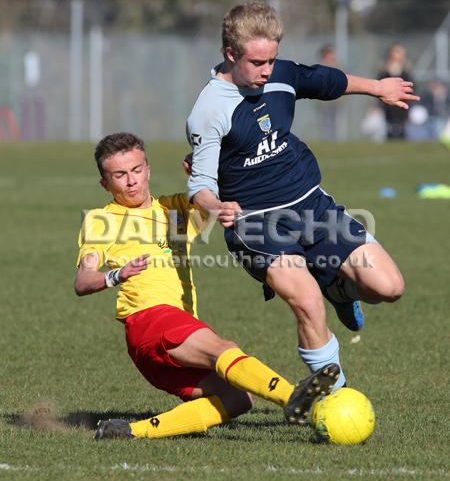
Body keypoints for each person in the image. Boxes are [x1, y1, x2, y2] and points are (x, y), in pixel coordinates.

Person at [186, 1, 419, 389]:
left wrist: (377, 87)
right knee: (307, 303)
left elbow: (325, 81)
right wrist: (215, 205)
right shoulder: (209, 110)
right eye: (257, 62)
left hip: (310, 203)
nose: (267, 71)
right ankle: (335, 395)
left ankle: (339, 287)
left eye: (272, 60)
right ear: (230, 54)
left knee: (389, 288)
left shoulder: (281, 74)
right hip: (256, 222)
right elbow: (200, 185)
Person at [74, 132, 339, 440]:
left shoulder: (172, 211)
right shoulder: (101, 219)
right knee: (224, 349)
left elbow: (216, 206)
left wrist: (204, 177)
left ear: (148, 169)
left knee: (237, 400)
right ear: (105, 184)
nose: (131, 181)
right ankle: (295, 397)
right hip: (151, 319)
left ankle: (131, 431)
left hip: (161, 340)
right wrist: (115, 275)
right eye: (119, 175)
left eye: (136, 170)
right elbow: (83, 281)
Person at [377, 44, 413, 139]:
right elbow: (379, 86)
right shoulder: (384, 72)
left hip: (403, 107)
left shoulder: (406, 72)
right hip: (387, 107)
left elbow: (411, 86)